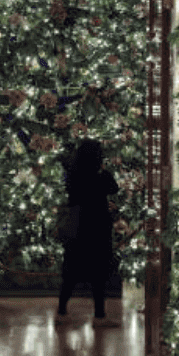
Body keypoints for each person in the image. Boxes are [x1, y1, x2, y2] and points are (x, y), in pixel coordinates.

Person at [56, 138, 120, 327]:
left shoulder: (73, 175)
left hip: (77, 227)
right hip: (97, 227)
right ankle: (99, 315)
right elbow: (114, 187)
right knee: (98, 274)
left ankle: (61, 311)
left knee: (70, 272)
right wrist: (104, 170)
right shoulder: (101, 176)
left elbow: (71, 195)